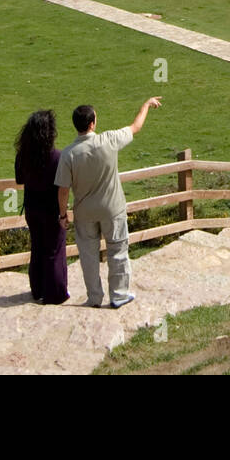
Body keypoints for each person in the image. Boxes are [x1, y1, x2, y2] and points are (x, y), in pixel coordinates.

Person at [55, 97, 162, 308]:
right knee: (118, 250)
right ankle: (119, 295)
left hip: (84, 212)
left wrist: (62, 215)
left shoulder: (68, 154)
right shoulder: (109, 140)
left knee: (88, 256)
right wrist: (146, 105)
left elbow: (63, 190)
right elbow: (136, 126)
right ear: (92, 123)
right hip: (112, 209)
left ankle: (94, 298)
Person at [13, 109, 68, 304]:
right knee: (54, 249)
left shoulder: (23, 156)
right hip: (51, 209)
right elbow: (63, 185)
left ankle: (37, 289)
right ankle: (55, 293)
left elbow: (19, 180)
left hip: (32, 208)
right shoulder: (57, 157)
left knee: (37, 247)